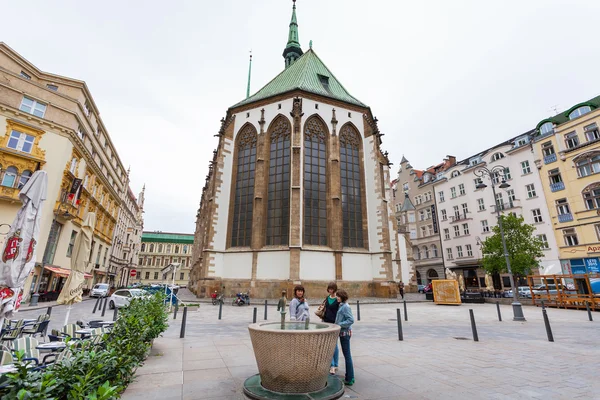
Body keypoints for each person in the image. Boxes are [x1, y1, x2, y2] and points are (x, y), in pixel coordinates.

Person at [335, 289, 355, 386]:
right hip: (343, 333)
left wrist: (339, 324)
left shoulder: (345, 307)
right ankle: (350, 377)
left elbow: (351, 320)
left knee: (347, 356)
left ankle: (350, 378)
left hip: (345, 334)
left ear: (342, 296)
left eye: (338, 296)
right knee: (347, 355)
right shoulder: (341, 305)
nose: (337, 297)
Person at [323, 282, 340, 375]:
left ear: (334, 289)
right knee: (330, 344)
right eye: (329, 289)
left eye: (332, 289)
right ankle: (332, 365)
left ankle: (335, 365)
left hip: (334, 323)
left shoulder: (337, 299)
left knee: (334, 345)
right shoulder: (327, 298)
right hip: (326, 322)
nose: (330, 290)